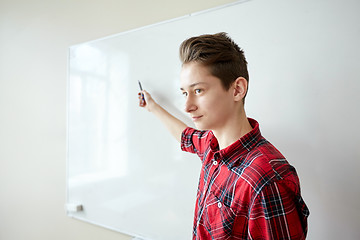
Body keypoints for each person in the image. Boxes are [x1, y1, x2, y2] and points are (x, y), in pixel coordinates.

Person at [138, 32, 309, 240]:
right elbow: (185, 136)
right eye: (185, 93)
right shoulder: (211, 146)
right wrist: (153, 107)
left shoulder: (266, 180)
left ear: (237, 89)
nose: (187, 106)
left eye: (198, 90)